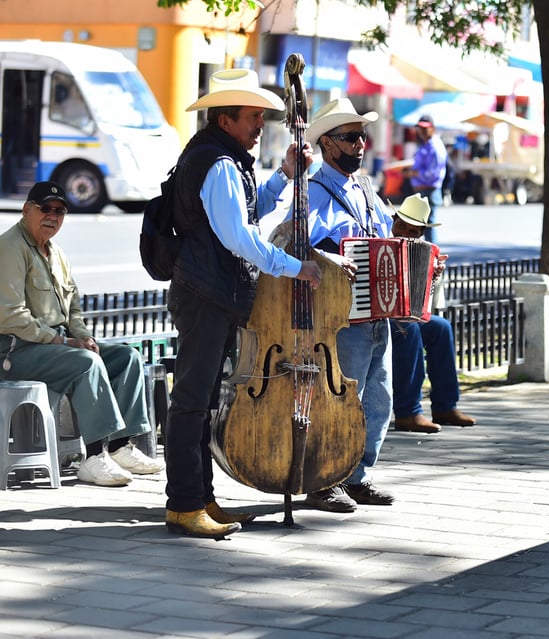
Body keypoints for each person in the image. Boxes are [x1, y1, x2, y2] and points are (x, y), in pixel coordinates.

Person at [163, 69, 321, 539]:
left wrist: (284, 177)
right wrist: (294, 268)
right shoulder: (218, 163)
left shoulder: (221, 158)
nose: (260, 125)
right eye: (253, 117)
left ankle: (201, 498)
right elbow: (240, 237)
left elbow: (244, 212)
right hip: (206, 294)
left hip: (211, 293)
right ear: (226, 119)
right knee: (192, 402)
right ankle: (184, 504)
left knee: (205, 401)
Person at [0, 181, 164, 487]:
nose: (52, 216)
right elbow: (10, 316)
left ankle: (118, 447)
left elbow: (73, 309)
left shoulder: (56, 253)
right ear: (26, 210)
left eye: (59, 211)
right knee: (85, 363)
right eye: (44, 209)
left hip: (54, 347)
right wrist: (64, 341)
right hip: (16, 351)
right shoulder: (10, 247)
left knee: (126, 357)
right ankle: (92, 457)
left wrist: (83, 336)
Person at [300, 98, 398, 514]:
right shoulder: (313, 191)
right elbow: (299, 245)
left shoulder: (366, 188)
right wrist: (328, 256)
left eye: (362, 136)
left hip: (376, 309)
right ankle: (324, 481)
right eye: (351, 137)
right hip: (342, 313)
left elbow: (386, 237)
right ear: (326, 144)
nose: (361, 144)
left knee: (379, 399)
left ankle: (356, 475)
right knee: (339, 400)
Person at [388, 194, 477, 434]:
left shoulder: (420, 249)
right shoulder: (379, 241)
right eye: (402, 226)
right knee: (409, 328)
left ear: (421, 233)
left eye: (414, 231)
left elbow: (420, 293)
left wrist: (433, 273)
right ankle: (408, 411)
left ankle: (445, 406)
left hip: (402, 313)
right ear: (393, 219)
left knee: (440, 327)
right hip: (377, 314)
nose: (406, 233)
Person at [403, 114, 447, 243]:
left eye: (425, 128)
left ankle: (432, 257)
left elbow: (432, 173)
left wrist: (413, 174)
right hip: (423, 190)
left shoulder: (435, 147)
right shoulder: (425, 144)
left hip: (429, 190)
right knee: (419, 225)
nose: (421, 131)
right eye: (420, 128)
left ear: (432, 128)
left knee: (427, 225)